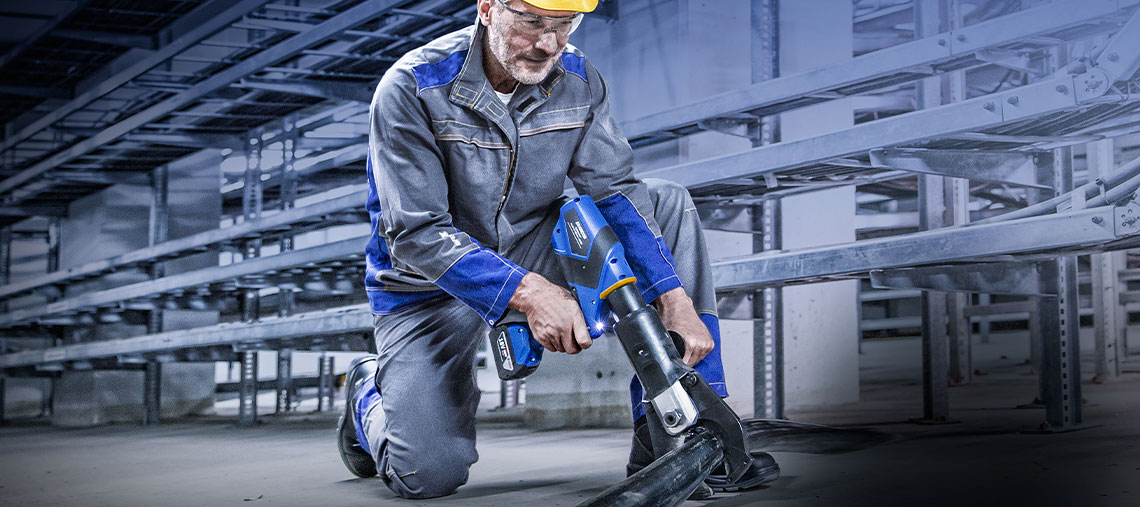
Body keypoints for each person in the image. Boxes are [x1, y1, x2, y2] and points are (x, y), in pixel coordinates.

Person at [337, 0, 779, 499]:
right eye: (531, 22)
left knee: (666, 201)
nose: (547, 43)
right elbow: (415, 233)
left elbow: (613, 192)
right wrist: (527, 294)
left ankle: (680, 425)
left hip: (535, 248)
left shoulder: (578, 79)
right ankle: (368, 395)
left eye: (563, 25)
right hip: (427, 285)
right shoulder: (412, 87)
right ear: (487, 8)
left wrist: (673, 295)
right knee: (427, 475)